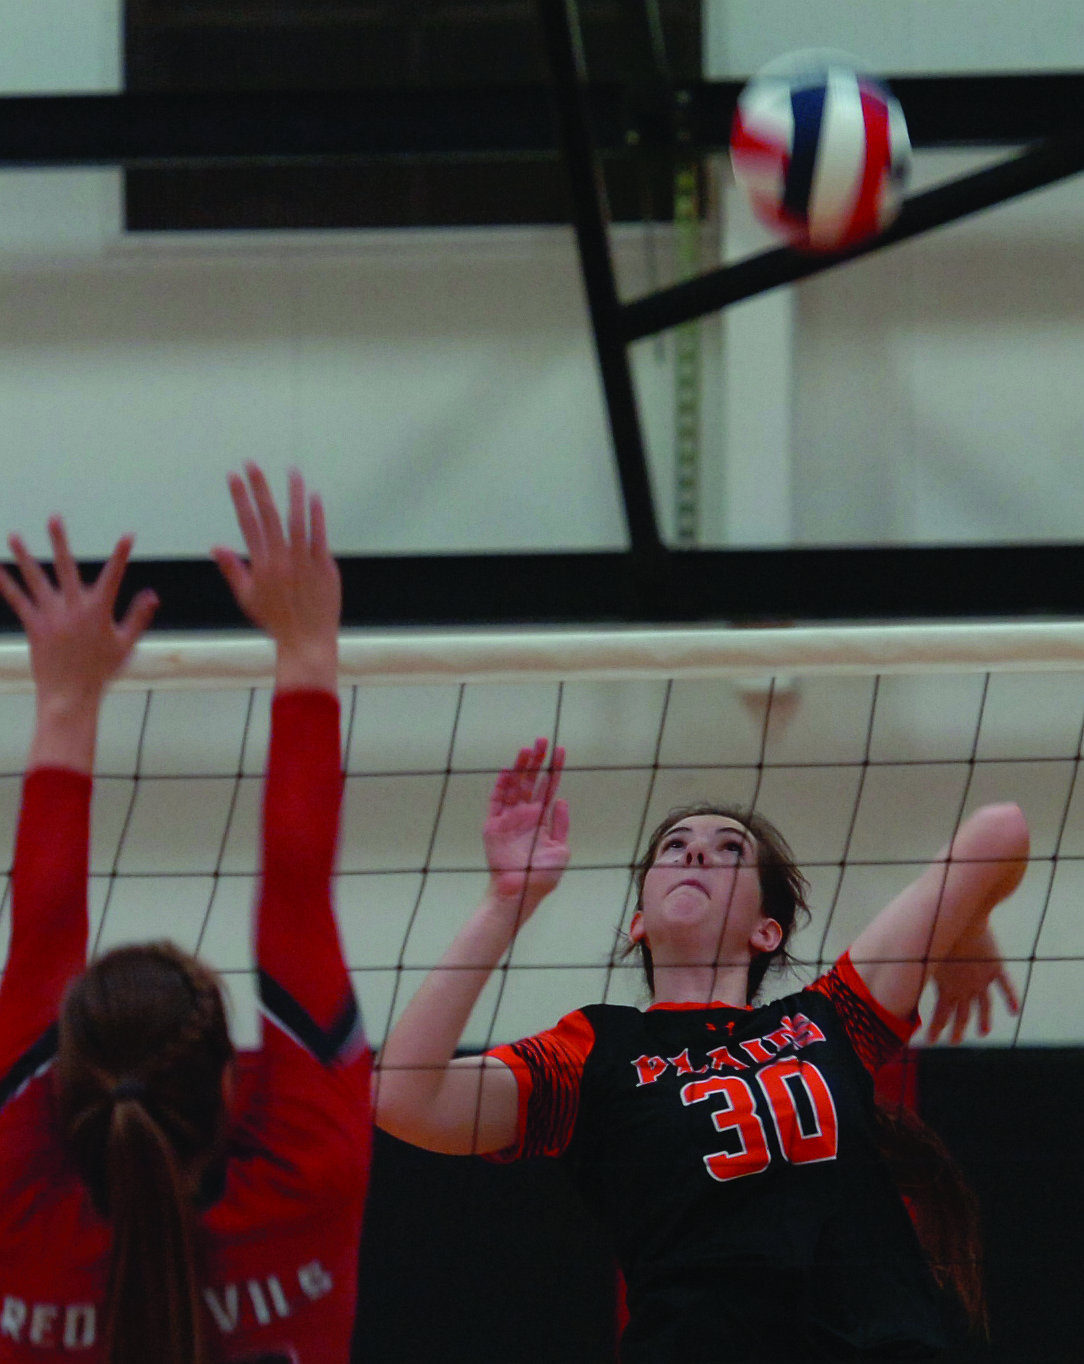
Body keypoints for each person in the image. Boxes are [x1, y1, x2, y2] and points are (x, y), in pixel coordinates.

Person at [374, 738, 1029, 1363]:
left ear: (766, 929)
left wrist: (966, 929)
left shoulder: (832, 1018)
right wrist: (505, 902)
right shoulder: (593, 1051)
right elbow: (403, 1097)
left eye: (728, 849)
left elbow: (1000, 830)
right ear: (639, 923)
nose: (694, 855)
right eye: (675, 846)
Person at [0, 465, 370, 1364]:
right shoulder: (304, 1177)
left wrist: (64, 698)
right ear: (236, 1086)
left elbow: (42, 932)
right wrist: (306, 648)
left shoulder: (22, 1217)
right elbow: (296, 892)